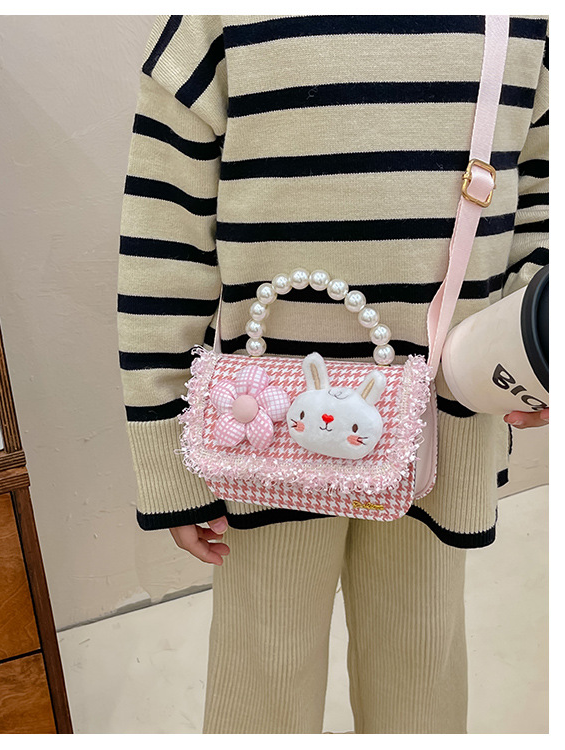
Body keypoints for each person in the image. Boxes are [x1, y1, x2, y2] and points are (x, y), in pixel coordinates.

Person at [117, 15, 548, 734]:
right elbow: (162, 248)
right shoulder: (216, 23)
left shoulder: (529, 22)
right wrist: (170, 460)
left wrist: (535, 349)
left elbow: (541, 203)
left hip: (448, 417)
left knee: (419, 659)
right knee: (265, 666)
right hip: (263, 430)